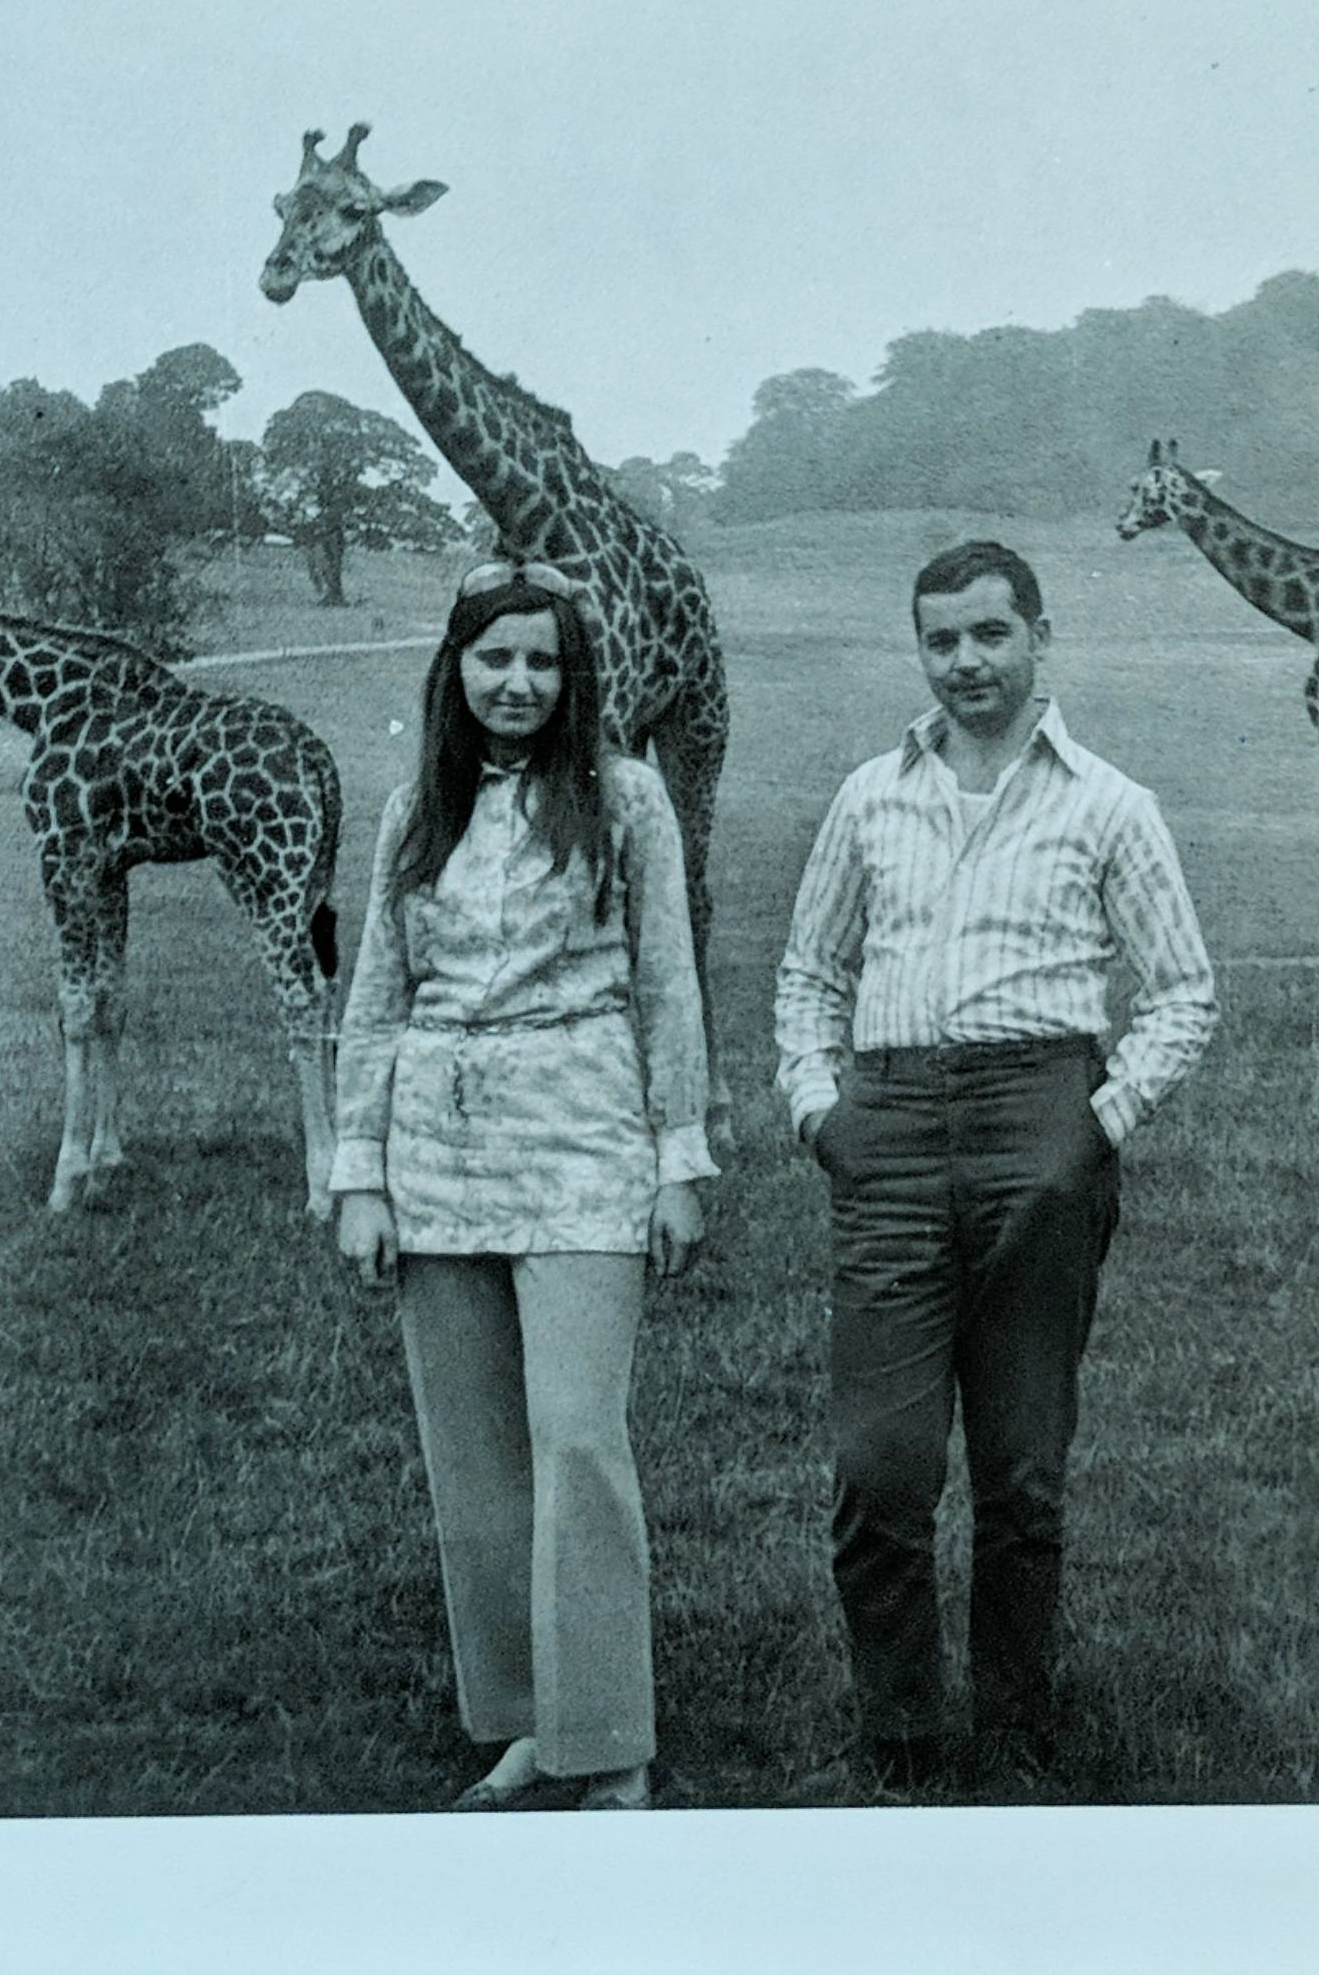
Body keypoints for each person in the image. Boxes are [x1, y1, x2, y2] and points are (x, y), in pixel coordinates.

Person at [774, 540, 1218, 1794]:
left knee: (1023, 1467)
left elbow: (1181, 991)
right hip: (893, 1127)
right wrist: (821, 1109)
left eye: (990, 634)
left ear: (1038, 635)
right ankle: (904, 1730)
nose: (967, 662)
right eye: (942, 640)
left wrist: (1099, 1122)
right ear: (920, 651)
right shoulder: (872, 796)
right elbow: (811, 970)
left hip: (1043, 1119)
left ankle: (1019, 1725)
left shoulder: (1109, 804)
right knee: (881, 1465)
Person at [329, 558, 715, 1814]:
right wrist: (362, 1179)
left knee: (578, 1445)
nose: (518, 683)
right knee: (477, 1466)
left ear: (573, 675)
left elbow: (668, 984)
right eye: (494, 658)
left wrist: (678, 1160)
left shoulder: (627, 800)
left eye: (542, 660)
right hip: (437, 1159)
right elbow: (377, 1001)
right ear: (457, 671)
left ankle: (611, 1742)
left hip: (586, 1148)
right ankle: (526, 1724)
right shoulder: (413, 814)